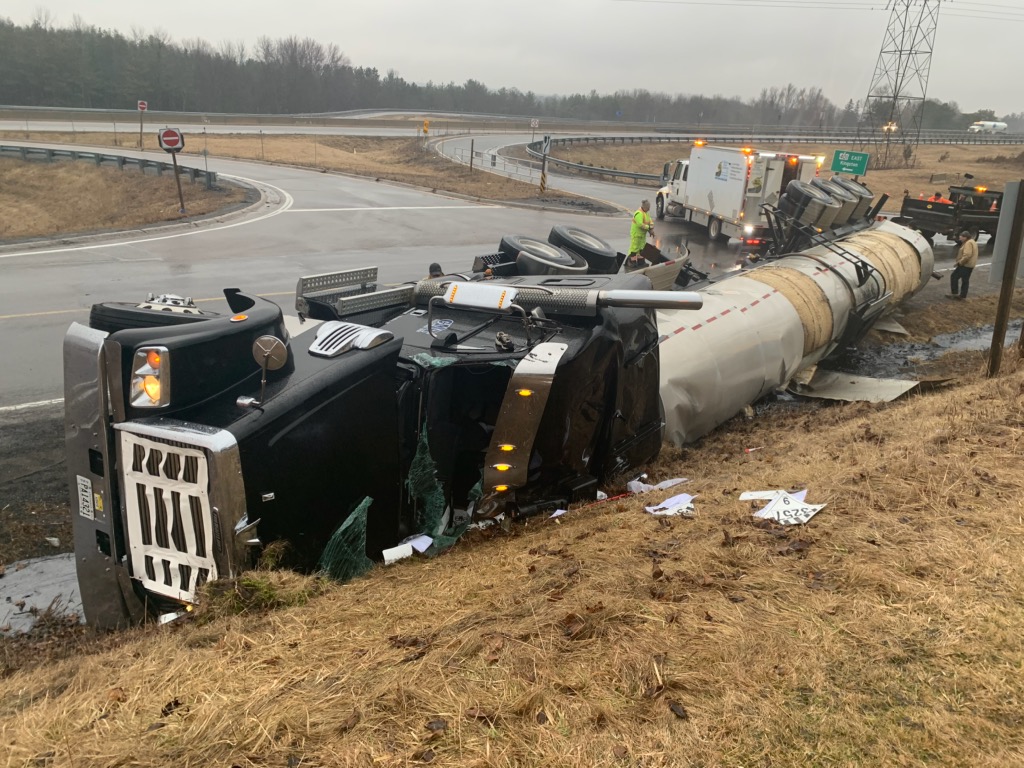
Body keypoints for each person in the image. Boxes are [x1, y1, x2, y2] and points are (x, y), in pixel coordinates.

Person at [950, 230, 978, 299]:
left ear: (965, 237)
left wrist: (960, 262)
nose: (960, 239)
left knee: (954, 276)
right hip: (970, 265)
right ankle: (963, 296)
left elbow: (967, 255)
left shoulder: (968, 243)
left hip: (965, 265)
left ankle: (955, 294)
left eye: (961, 238)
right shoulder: (972, 241)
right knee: (965, 280)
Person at [627, 200, 655, 270]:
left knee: (641, 248)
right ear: (644, 207)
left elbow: (650, 221)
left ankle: (641, 261)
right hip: (636, 234)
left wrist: (651, 228)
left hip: (642, 235)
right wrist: (649, 228)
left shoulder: (646, 213)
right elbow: (640, 224)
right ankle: (631, 261)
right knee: (634, 248)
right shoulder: (638, 213)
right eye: (648, 207)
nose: (649, 209)